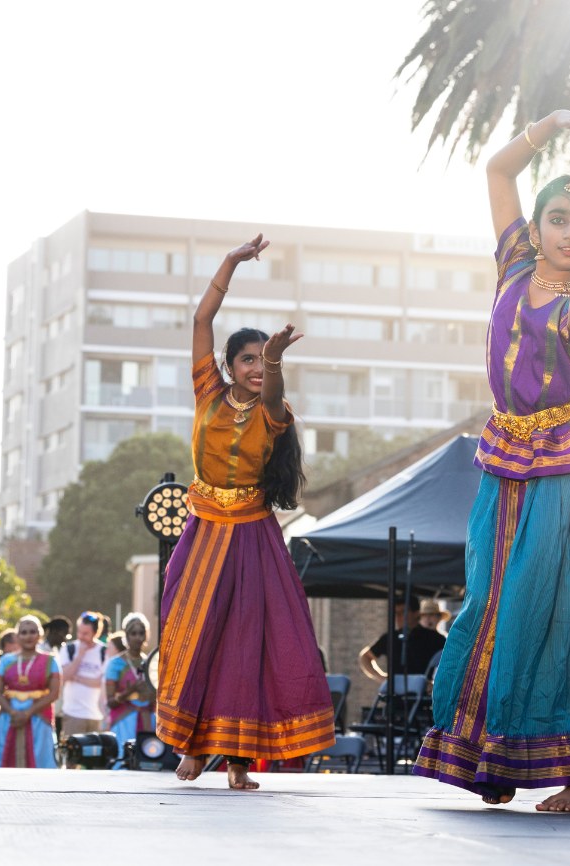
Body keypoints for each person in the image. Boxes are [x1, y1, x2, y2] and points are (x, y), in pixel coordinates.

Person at [413, 109, 570, 813]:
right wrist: (548, 125)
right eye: (552, 217)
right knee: (493, 603)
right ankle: (492, 756)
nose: (558, 228)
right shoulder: (515, 262)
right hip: (510, 452)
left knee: (560, 608)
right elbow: (497, 171)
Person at [156, 233, 334, 791]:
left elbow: (276, 391)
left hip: (253, 536)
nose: (258, 367)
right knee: (191, 634)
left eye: (265, 360)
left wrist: (279, 360)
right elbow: (201, 322)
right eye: (250, 360)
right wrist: (229, 263)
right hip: (204, 529)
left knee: (247, 645)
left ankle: (235, 761)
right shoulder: (208, 393)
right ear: (229, 366)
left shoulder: (274, 412)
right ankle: (190, 746)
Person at [0, 615, 61, 768]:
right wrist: (13, 712)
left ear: (40, 635)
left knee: (40, 762)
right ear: (17, 636)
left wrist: (28, 713)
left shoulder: (50, 661)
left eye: (32, 632)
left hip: (39, 719)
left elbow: (54, 693)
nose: (28, 636)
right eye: (23, 632)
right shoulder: (6, 660)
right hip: (9, 718)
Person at [57, 611, 108, 766]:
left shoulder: (103, 651)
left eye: (86, 633)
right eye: (79, 632)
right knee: (71, 760)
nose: (81, 636)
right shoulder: (69, 649)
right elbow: (64, 676)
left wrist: (77, 677)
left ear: (95, 633)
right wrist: (79, 656)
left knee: (94, 761)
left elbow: (100, 682)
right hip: (73, 713)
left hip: (96, 715)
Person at [357, 596, 445, 683]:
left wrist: (435, 684)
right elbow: (366, 657)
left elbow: (452, 664)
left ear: (416, 614)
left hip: (422, 693)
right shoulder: (390, 637)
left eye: (403, 612)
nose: (398, 617)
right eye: (396, 613)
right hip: (395, 693)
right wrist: (381, 677)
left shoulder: (435, 638)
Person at [105, 613, 155, 754]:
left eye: (141, 633)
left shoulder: (151, 663)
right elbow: (110, 702)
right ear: (126, 636)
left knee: (148, 761)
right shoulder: (115, 663)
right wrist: (129, 692)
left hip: (147, 721)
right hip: (123, 721)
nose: (138, 638)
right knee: (123, 761)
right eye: (133, 633)